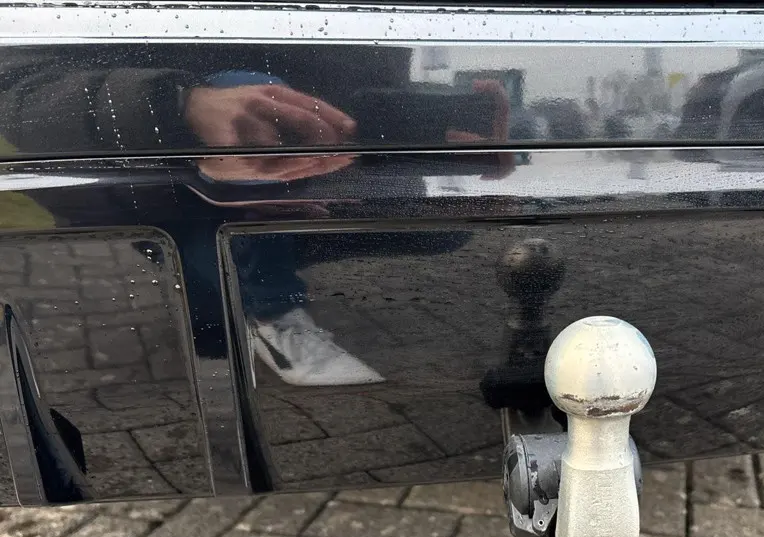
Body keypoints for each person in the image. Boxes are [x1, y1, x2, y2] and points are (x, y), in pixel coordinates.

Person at [0, 44, 508, 385]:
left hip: (304, 178)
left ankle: (249, 288)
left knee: (443, 227)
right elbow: (15, 85)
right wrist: (173, 106)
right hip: (153, 182)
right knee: (254, 98)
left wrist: (438, 137)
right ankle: (269, 310)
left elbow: (355, 93)